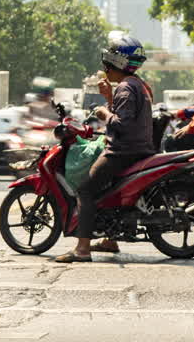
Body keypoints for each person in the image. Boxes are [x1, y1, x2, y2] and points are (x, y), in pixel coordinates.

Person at [54, 35, 154, 263]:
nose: (105, 68)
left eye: (108, 63)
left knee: (86, 190)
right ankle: (110, 239)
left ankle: (82, 249)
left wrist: (103, 113)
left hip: (123, 152)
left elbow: (122, 124)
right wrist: (109, 97)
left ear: (118, 64)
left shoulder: (127, 88)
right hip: (138, 148)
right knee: (108, 189)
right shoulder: (137, 85)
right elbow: (127, 115)